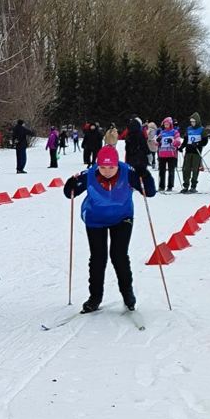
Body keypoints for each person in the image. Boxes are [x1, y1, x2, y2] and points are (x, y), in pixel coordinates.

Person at [63, 145, 155, 313]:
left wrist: (146, 175)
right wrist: (70, 184)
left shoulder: (128, 172)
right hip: (95, 219)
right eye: (103, 167)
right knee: (98, 258)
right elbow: (70, 192)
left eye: (111, 167)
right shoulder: (90, 174)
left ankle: (128, 294)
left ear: (117, 164)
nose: (106, 171)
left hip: (122, 218)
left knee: (119, 256)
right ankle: (95, 297)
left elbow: (150, 192)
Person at [178, 112, 208, 194]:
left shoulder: (201, 129)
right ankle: (185, 185)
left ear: (197, 121)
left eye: (194, 121)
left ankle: (193, 186)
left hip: (196, 152)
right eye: (191, 122)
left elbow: (205, 141)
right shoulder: (189, 129)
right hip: (188, 151)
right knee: (186, 169)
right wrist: (181, 147)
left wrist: (198, 144)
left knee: (195, 170)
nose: (192, 123)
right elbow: (186, 140)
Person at [156, 117, 180, 192]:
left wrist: (172, 141)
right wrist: (157, 141)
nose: (166, 125)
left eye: (167, 124)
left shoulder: (175, 132)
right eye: (165, 124)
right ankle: (161, 186)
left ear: (170, 124)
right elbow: (156, 142)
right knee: (161, 171)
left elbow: (178, 142)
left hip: (171, 154)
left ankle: (170, 186)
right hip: (162, 154)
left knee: (171, 171)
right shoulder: (162, 132)